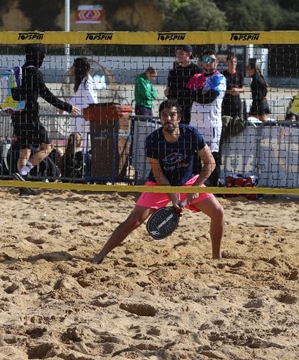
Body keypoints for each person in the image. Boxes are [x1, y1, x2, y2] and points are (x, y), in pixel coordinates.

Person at [91, 99, 224, 263]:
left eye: (172, 115)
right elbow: (158, 173)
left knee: (218, 212)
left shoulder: (191, 134)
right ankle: (100, 255)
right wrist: (173, 197)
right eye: (164, 115)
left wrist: (195, 188)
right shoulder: (153, 140)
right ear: (160, 118)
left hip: (188, 181)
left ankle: (216, 258)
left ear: (179, 118)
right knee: (134, 220)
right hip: (159, 183)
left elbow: (210, 163)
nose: (168, 118)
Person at [11, 44, 79, 190]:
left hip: (17, 116)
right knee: (47, 147)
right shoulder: (34, 73)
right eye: (43, 56)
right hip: (30, 117)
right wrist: (67, 107)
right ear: (39, 56)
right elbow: (47, 95)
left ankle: (22, 187)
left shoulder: (19, 71)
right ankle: (23, 173)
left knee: (25, 150)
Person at [188, 52, 226, 187]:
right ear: (202, 62)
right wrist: (198, 95)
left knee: (212, 157)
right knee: (194, 156)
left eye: (211, 59)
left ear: (216, 62)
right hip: (195, 123)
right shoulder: (196, 77)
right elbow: (187, 95)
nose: (208, 62)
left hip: (211, 124)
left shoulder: (219, 78)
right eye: (205, 59)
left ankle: (214, 186)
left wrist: (196, 94)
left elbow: (208, 98)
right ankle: (195, 186)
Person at [67, 56, 98, 156]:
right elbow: (77, 97)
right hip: (80, 116)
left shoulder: (87, 82)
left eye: (75, 67)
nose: (73, 69)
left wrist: (90, 113)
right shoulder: (82, 80)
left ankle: (85, 160)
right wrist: (66, 106)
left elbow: (92, 100)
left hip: (85, 117)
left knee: (86, 143)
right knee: (76, 140)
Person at [165, 45, 201, 126]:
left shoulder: (197, 71)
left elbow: (198, 92)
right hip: (177, 110)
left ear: (189, 54)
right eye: (177, 53)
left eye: (181, 53)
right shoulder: (173, 72)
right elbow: (169, 92)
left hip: (193, 111)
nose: (178, 56)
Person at [220, 53, 245, 120]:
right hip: (226, 104)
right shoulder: (222, 74)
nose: (233, 63)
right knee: (226, 123)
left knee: (237, 123)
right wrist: (229, 91)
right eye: (231, 62)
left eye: (235, 61)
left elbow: (243, 89)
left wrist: (237, 90)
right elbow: (219, 90)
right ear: (227, 63)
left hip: (236, 104)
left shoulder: (239, 74)